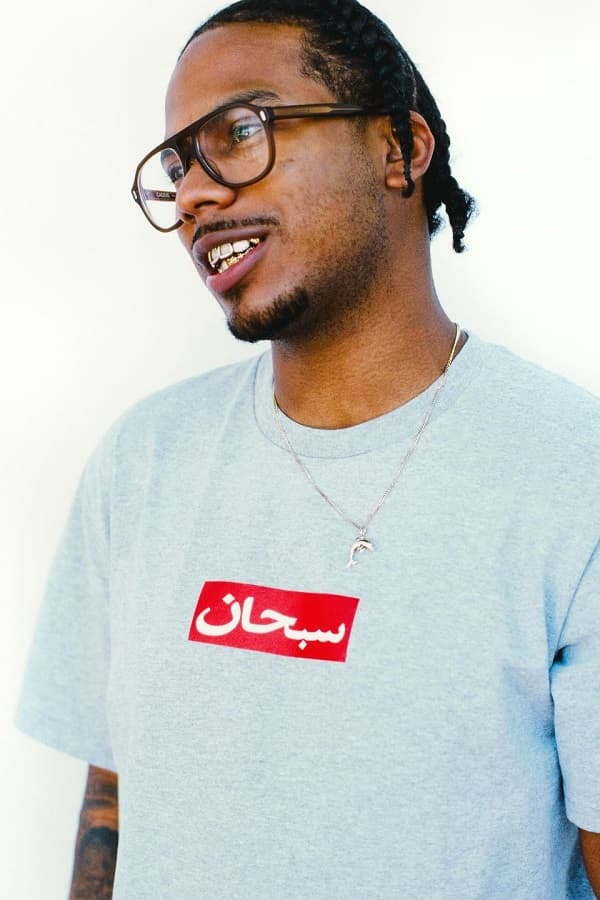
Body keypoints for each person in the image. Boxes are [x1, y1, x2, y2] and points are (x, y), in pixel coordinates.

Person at [15, 0, 600, 897]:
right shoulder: (143, 461)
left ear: (398, 149)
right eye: (177, 166)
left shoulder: (570, 471)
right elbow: (114, 798)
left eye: (242, 132)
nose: (195, 193)